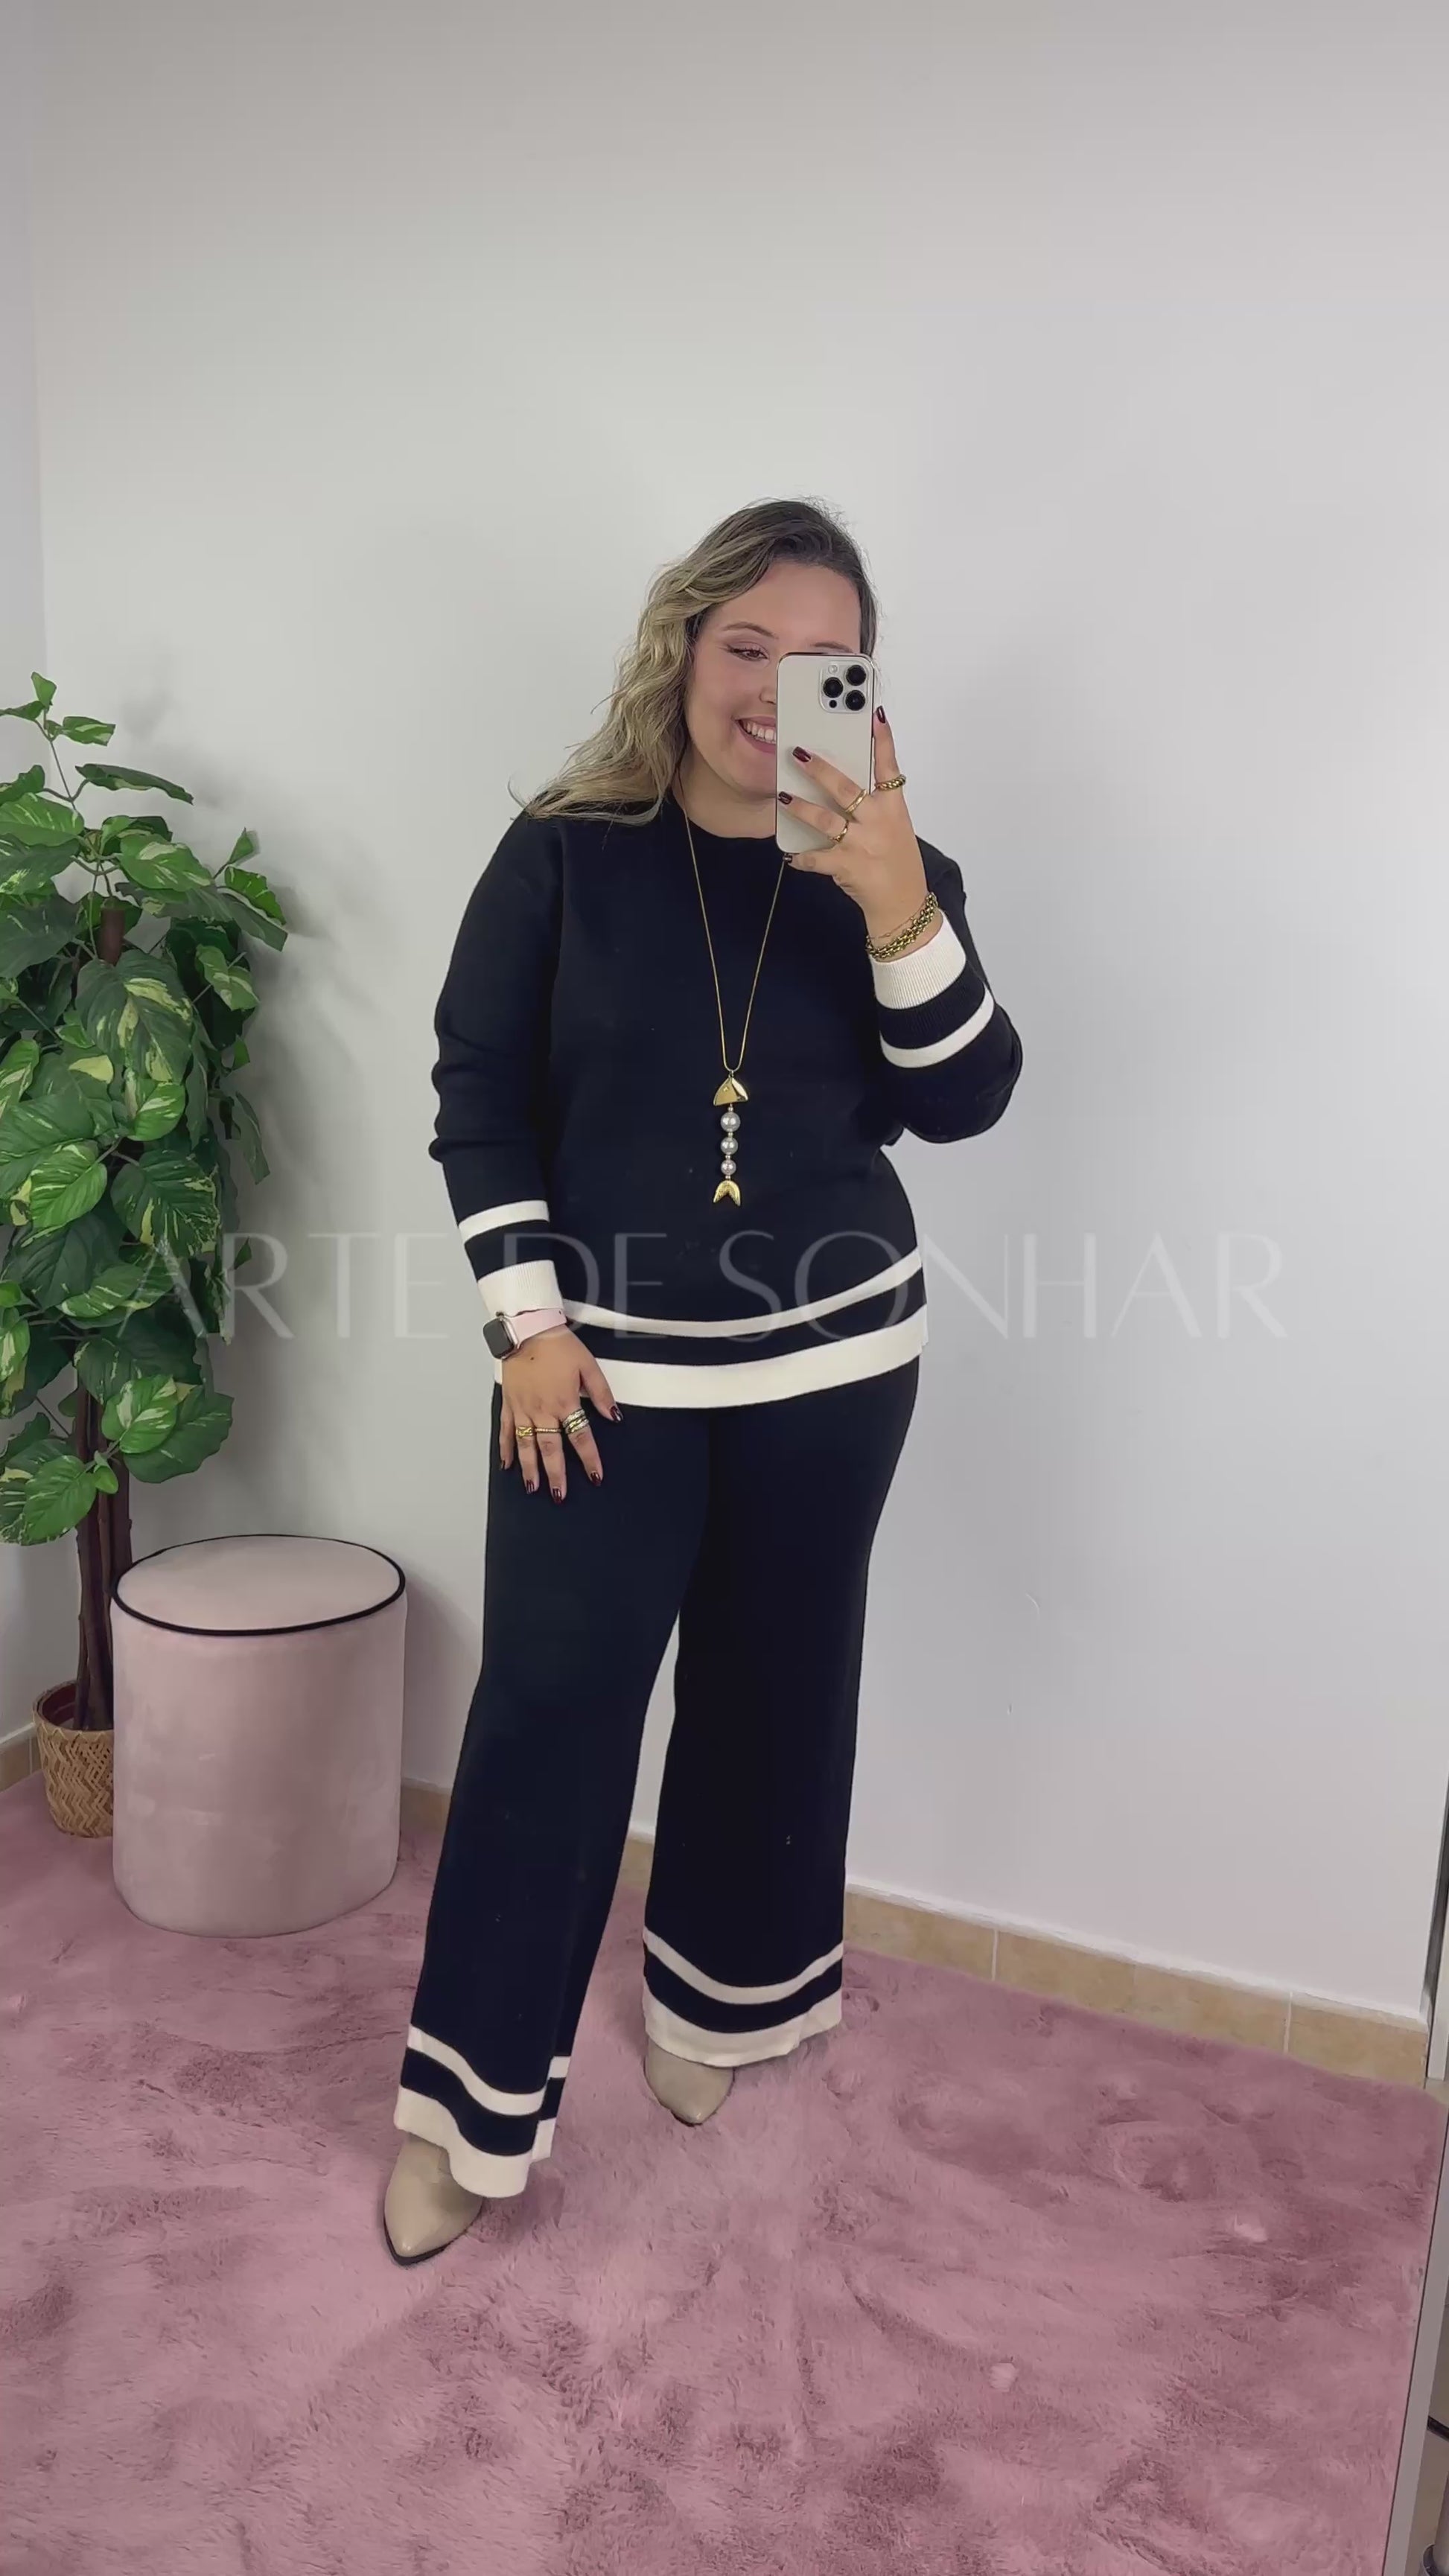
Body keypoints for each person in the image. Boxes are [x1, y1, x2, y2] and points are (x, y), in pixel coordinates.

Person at [383, 496, 1023, 2263]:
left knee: (772, 1695)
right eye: (747, 644)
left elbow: (966, 1098)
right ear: (683, 647)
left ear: (862, 687)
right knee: (550, 1719)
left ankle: (719, 1998)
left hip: (839, 1368)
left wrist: (893, 900)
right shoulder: (563, 852)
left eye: (823, 661)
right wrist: (527, 1324)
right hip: (594, 1379)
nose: (772, 687)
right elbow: (476, 1093)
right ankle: (467, 2108)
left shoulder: (890, 867)